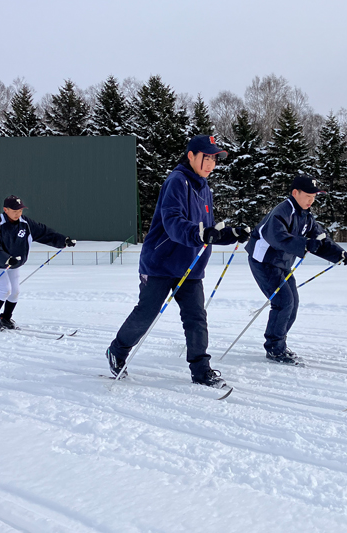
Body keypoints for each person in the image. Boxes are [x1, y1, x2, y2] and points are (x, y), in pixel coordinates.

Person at [106, 135, 251, 388]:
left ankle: (201, 370)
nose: (211, 164)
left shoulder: (204, 188)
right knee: (146, 314)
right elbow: (174, 223)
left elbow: (207, 231)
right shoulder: (177, 181)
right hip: (161, 263)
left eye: (214, 159)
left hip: (191, 266)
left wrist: (230, 234)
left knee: (196, 317)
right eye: (206, 157)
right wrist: (200, 233)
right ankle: (117, 351)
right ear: (191, 155)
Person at [244, 175, 347, 365]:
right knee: (284, 302)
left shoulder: (306, 216)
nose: (311, 200)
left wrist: (339, 254)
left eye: (314, 196)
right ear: (295, 193)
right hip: (265, 262)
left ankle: (278, 343)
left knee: (293, 304)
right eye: (308, 195)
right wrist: (305, 244)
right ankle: (275, 349)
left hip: (282, 264)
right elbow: (279, 238)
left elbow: (320, 238)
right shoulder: (282, 212)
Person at [0, 195, 75, 330]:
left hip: (14, 262)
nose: (18, 214)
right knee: (5, 289)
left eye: (20, 211)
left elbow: (44, 232)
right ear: (5, 210)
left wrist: (63, 240)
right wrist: (5, 259)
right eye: (15, 211)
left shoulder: (25, 223)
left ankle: (5, 318)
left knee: (15, 291)